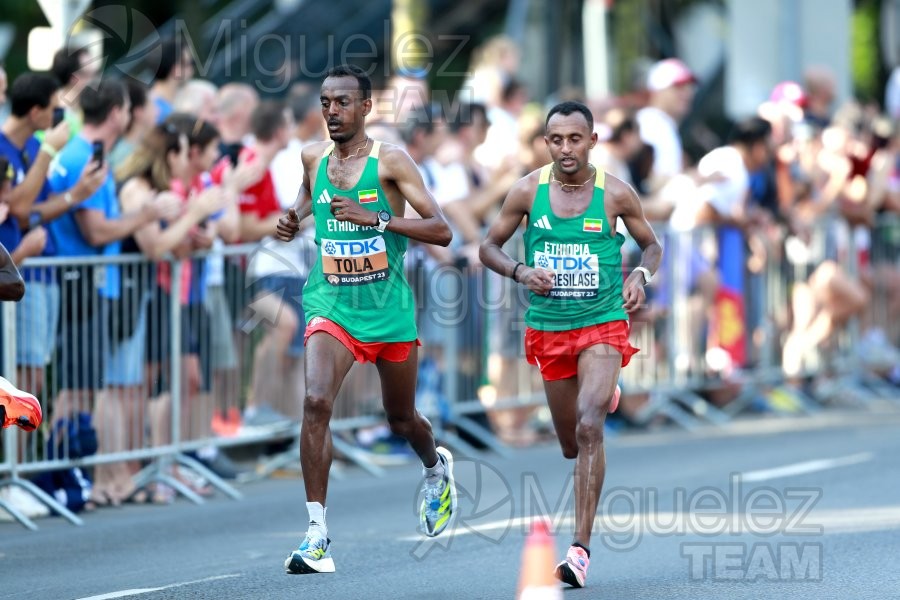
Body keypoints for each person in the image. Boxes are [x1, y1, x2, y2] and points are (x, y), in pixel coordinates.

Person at [274, 64, 455, 575]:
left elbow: (441, 231)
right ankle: (316, 534)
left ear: (366, 108)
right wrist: (292, 219)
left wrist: (376, 218)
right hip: (330, 302)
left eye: (343, 103)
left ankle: (435, 465)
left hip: (388, 310)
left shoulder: (392, 161)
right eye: (326, 103)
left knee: (402, 420)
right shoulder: (312, 158)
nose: (332, 111)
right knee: (315, 401)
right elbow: (309, 202)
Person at [479, 101, 662, 589]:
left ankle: (579, 550)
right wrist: (520, 271)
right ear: (546, 143)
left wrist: (640, 276)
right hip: (550, 328)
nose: (565, 148)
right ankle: (598, 398)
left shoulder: (616, 195)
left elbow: (652, 245)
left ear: (593, 141)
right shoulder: (526, 191)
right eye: (556, 139)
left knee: (588, 426)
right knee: (568, 443)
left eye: (575, 138)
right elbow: (487, 246)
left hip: (602, 322)